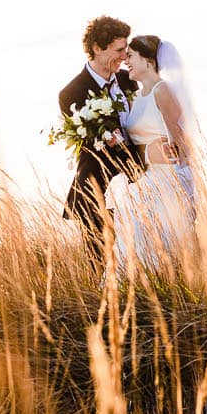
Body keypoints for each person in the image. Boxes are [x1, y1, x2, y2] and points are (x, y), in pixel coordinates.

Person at [58, 15, 144, 263]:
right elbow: (87, 144)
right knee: (103, 262)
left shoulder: (130, 80)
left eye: (125, 50)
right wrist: (108, 140)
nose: (124, 57)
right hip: (98, 188)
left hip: (137, 183)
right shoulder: (71, 93)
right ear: (97, 48)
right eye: (118, 50)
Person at [112, 34, 197, 271]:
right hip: (142, 181)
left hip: (165, 181)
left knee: (159, 244)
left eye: (130, 56)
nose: (126, 60)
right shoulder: (135, 98)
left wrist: (173, 159)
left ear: (149, 61)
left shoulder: (163, 90)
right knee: (132, 240)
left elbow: (180, 141)